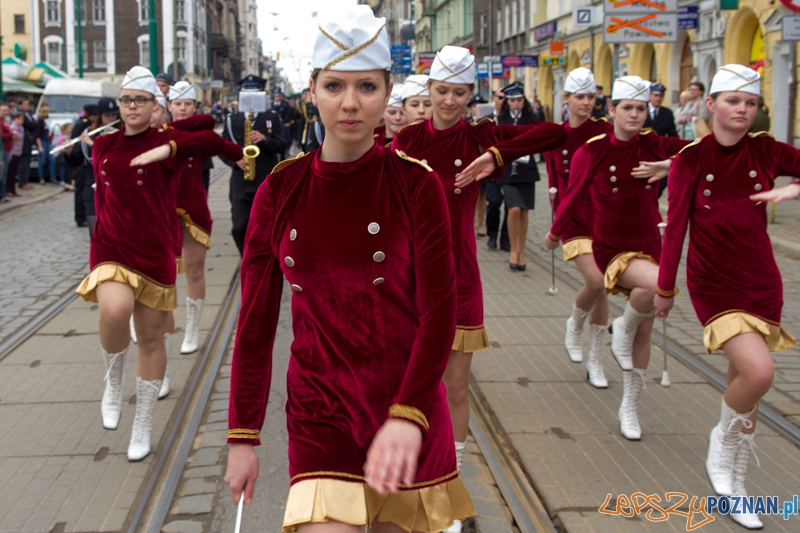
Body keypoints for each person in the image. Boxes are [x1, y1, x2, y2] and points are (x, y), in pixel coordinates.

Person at [224, 7, 476, 532]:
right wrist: (243, 437)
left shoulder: (416, 184)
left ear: (387, 94)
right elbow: (255, 323)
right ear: (312, 91)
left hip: (408, 404)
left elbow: (439, 311)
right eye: (335, 86)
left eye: (367, 86)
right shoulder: (280, 189)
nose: (351, 103)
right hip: (319, 411)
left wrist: (408, 416)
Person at [394, 46, 566, 533]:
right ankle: (407, 476)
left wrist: (496, 155)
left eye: (459, 93)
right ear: (429, 90)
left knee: (454, 385)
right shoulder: (406, 139)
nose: (449, 101)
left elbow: (556, 133)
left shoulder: (481, 135)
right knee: (407, 386)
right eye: (441, 91)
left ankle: (449, 488)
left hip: (458, 278)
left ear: (472, 94)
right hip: (408, 278)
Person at [656, 65, 799, 530]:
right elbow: (676, 227)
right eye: (733, 100)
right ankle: (721, 448)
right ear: (711, 104)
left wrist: (794, 188)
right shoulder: (691, 158)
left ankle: (735, 482)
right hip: (713, 282)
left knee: (746, 383)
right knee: (759, 372)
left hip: (761, 280)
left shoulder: (766, 149)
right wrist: (664, 288)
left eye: (750, 103)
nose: (742, 109)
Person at [74, 66, 242, 462]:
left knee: (151, 338)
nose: (132, 106)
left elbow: (211, 138)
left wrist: (168, 149)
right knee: (115, 310)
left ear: (155, 106)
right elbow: (100, 199)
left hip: (154, 249)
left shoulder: (169, 139)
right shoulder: (103, 144)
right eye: (126, 100)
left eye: (141, 100)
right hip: (111, 244)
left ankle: (143, 424)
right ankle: (114, 380)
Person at [544, 76, 688, 441]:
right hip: (609, 244)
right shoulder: (592, 150)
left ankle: (630, 406)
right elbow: (572, 193)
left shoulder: (654, 142)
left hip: (648, 241)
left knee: (645, 327)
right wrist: (554, 232)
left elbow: (704, 150)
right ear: (612, 110)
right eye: (627, 108)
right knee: (650, 287)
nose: (635, 114)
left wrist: (669, 164)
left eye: (641, 108)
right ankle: (612, 328)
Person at [543, 67, 614, 387]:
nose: (585, 103)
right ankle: (574, 323)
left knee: (602, 290)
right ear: (566, 99)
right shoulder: (556, 136)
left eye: (590, 97)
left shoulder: (605, 130)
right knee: (596, 281)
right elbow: (554, 182)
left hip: (605, 219)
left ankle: (596, 359)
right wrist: (555, 222)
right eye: (579, 97)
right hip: (573, 220)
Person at [167, 81, 215, 354]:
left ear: (195, 106)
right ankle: (153, 324)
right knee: (160, 271)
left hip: (194, 205)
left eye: (188, 104)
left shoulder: (202, 132)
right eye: (178, 104)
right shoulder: (157, 132)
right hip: (162, 207)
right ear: (169, 105)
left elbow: (212, 132)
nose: (183, 108)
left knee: (194, 268)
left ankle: (192, 328)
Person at [221, 75, 286, 255]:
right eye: (246, 93)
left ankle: (262, 257)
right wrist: (235, 160)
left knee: (266, 225)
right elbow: (222, 148)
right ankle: (245, 256)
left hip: (264, 178)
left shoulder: (271, 117)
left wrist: (265, 139)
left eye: (255, 93)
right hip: (240, 180)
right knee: (239, 226)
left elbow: (282, 144)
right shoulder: (232, 119)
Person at [496, 83, 541, 271]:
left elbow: (539, 140)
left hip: (526, 169)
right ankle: (513, 250)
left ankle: (521, 251)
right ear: (507, 102)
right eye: (513, 100)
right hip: (508, 169)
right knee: (514, 209)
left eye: (519, 100)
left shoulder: (531, 119)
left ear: (524, 101)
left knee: (524, 211)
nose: (516, 104)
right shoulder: (501, 119)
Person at [484, 87, 510, 252]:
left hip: (508, 168)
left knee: (510, 205)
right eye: (500, 97)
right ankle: (492, 234)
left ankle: (505, 238)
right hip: (490, 168)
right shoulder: (485, 117)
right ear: (494, 98)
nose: (503, 101)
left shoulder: (510, 118)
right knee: (494, 202)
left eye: (505, 98)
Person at [67, 105, 99, 228]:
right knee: (80, 191)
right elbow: (78, 149)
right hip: (83, 165)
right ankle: (80, 217)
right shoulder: (84, 126)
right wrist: (69, 152)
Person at [35, 105, 58, 184]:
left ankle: (53, 177)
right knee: (41, 161)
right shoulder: (39, 123)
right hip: (42, 142)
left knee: (52, 160)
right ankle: (41, 178)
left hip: (47, 142)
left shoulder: (44, 122)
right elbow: (37, 136)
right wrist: (40, 146)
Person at [17, 99, 37, 190]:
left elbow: (34, 123)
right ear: (20, 105)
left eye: (28, 104)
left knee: (27, 163)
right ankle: (22, 182)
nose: (27, 106)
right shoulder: (21, 115)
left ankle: (25, 181)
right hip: (23, 144)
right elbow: (30, 125)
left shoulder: (29, 114)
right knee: (23, 164)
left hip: (29, 142)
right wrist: (33, 124)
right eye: (25, 104)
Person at [5, 113, 25, 198]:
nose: (21, 121)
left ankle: (13, 190)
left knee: (14, 172)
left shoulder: (21, 128)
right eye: (19, 119)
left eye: (22, 119)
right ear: (15, 119)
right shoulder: (12, 128)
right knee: (10, 172)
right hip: (12, 152)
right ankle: (9, 190)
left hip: (18, 152)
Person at [1, 103, 13, 202]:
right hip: (3, 150)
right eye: (3, 110)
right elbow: (2, 136)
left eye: (6, 110)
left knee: (4, 173)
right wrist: (11, 133)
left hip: (7, 150)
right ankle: (2, 195)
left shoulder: (5, 121)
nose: (5, 112)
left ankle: (3, 194)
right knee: (3, 173)